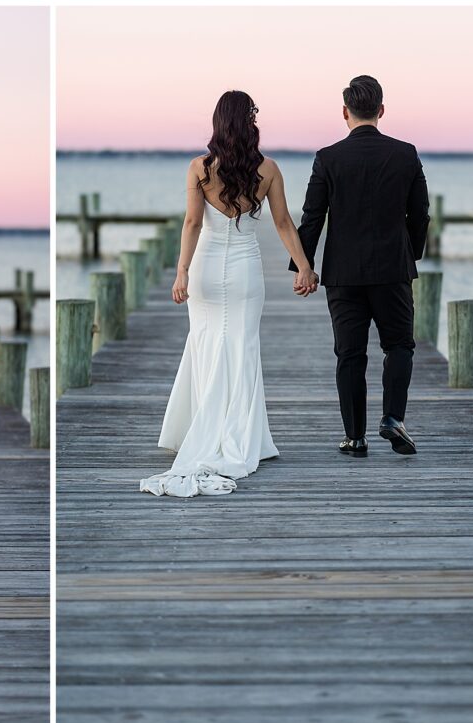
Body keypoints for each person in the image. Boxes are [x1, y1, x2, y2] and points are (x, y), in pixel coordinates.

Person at [140, 91, 318, 498]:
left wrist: (181, 272)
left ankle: (201, 429)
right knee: (241, 347)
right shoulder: (268, 169)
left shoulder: (199, 168)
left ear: (218, 122)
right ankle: (242, 438)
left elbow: (191, 223)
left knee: (205, 345)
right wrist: (304, 266)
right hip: (244, 271)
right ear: (251, 120)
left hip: (204, 270)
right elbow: (284, 223)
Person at [291, 75, 430, 456]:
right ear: (381, 110)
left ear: (344, 112)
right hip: (392, 270)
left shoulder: (328, 157)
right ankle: (393, 418)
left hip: (343, 274)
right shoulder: (405, 153)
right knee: (399, 346)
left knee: (349, 354)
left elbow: (312, 218)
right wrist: (411, 253)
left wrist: (302, 266)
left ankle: (355, 437)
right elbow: (420, 213)